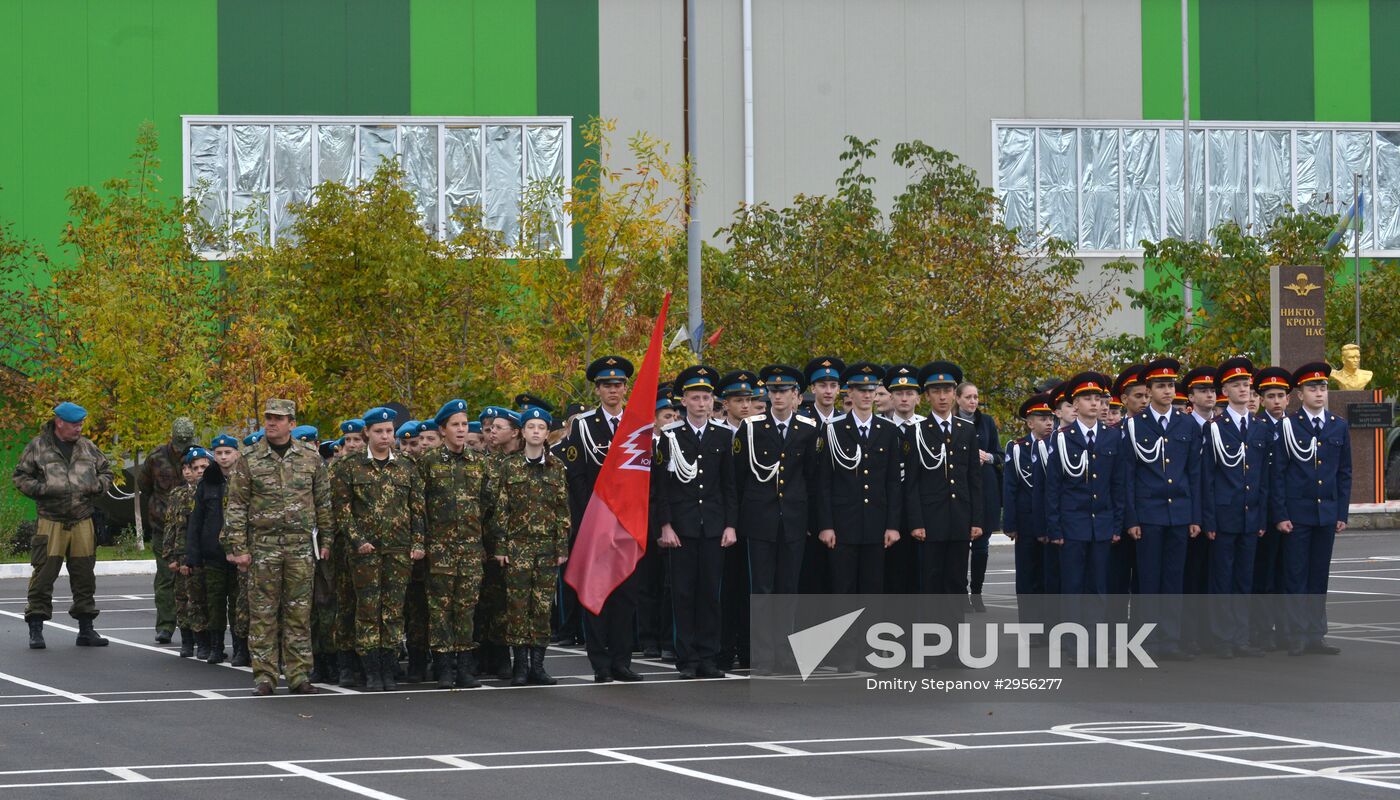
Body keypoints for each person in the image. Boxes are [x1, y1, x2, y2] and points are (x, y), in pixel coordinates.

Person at [222, 399, 334, 696]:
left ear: (292, 423)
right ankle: (265, 676)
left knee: (299, 614)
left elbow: (323, 502)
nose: (271, 423)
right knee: (263, 614)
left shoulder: (310, 458)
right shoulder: (250, 459)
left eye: (278, 418)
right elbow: (236, 506)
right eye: (268, 418)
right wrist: (239, 547)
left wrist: (326, 541)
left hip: (300, 547)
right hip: (264, 547)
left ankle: (298, 674)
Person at [733, 364, 821, 674]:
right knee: (762, 590)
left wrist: (813, 521)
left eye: (784, 391)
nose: (778, 396)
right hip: (760, 518)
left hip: (794, 518)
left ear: (797, 395)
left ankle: (785, 653)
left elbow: (812, 478)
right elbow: (740, 477)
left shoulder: (808, 428)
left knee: (788, 589)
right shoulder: (752, 427)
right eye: (773, 391)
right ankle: (764, 655)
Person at [561, 355, 644, 682]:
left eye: (619, 385)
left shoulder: (637, 424)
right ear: (597, 390)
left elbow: (643, 477)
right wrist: (587, 521)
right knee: (596, 593)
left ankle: (622, 661)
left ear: (626, 388)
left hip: (627, 524)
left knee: (625, 594)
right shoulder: (584, 425)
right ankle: (600, 663)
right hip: (595, 524)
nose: (614, 390)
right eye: (607, 385)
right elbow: (577, 476)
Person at [332, 407, 425, 692]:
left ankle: (389, 666)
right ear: (367, 434)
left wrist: (418, 541)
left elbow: (417, 508)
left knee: (394, 611)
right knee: (368, 610)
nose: (386, 437)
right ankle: (371, 670)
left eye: (389, 431)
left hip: (399, 550)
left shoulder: (407, 465)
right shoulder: (349, 466)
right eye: (379, 432)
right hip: (365, 552)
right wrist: (358, 540)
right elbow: (342, 510)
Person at [653, 366, 738, 679]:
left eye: (706, 398)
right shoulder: (671, 436)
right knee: (683, 593)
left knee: (709, 594)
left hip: (713, 525)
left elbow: (729, 487)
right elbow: (661, 487)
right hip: (682, 526)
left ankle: (708, 656)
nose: (701, 403)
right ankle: (686, 658)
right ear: (683, 401)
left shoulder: (723, 435)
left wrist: (730, 525)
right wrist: (665, 525)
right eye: (695, 397)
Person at [16, 402, 116, 649]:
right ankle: (36, 628)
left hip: (82, 517)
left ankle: (86, 630)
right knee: (44, 574)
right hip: (51, 519)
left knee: (84, 575)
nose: (79, 428)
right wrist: (43, 490)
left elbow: (107, 472)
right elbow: (20, 477)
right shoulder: (38, 447)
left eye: (81, 424)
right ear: (59, 422)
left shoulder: (87, 447)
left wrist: (97, 486)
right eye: (74, 424)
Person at [903, 361, 982, 666]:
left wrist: (977, 520)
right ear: (927, 396)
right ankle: (931, 649)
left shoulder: (966, 430)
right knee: (931, 586)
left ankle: (953, 650)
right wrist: (916, 522)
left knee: (955, 585)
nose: (943, 396)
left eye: (948, 390)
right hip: (930, 521)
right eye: (936, 391)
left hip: (960, 520)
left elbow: (973, 479)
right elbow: (911, 484)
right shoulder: (917, 431)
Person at [1122, 358, 1201, 661]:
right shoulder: (1135, 425)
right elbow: (1128, 476)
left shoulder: (1186, 423)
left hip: (1179, 513)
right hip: (1149, 513)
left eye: (1171, 385)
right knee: (1149, 581)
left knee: (1173, 579)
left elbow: (1194, 473)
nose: (1168, 390)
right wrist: (1132, 517)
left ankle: (1170, 639)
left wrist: (1194, 516)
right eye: (1161, 386)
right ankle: (1148, 641)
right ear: (1149, 390)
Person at [1043, 373, 1125, 663]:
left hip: (1101, 523)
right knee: (1074, 587)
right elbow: (1053, 487)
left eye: (1098, 398)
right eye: (1087, 399)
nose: (1095, 403)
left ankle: (1097, 644)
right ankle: (1074, 645)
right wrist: (1055, 527)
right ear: (1074, 404)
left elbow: (1118, 484)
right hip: (1072, 523)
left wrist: (1117, 524)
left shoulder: (1112, 436)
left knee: (1098, 587)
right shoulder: (1063, 439)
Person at [1275, 362, 1350, 657]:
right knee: (1295, 575)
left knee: (1318, 576)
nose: (1319, 393)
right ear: (1300, 393)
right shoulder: (1289, 426)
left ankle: (1315, 633)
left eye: (1322, 388)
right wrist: (1281, 513)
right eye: (1312, 388)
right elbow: (1279, 473)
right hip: (1297, 512)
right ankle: (1295, 634)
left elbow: (1344, 472)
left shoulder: (1337, 425)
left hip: (1325, 512)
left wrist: (1341, 512)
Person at [491, 406, 570, 685]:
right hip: (517, 547)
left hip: (547, 548)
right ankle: (520, 666)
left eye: (541, 428)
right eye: (531, 427)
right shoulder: (508, 466)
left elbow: (562, 510)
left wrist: (562, 548)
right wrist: (501, 547)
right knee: (517, 606)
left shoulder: (556, 467)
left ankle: (538, 665)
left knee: (542, 607)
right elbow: (501, 509)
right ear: (522, 432)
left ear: (547, 433)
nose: (536, 432)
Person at [1200, 357, 1272, 659]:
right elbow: (1207, 478)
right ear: (1224, 391)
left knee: (1244, 578)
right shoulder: (1215, 428)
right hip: (1224, 513)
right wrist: (1209, 519)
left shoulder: (1259, 427)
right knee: (1222, 580)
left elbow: (1264, 477)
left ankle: (1240, 637)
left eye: (1246, 384)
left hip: (1250, 513)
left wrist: (1262, 516)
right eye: (1236, 384)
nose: (1244, 389)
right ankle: (1221, 638)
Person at [419, 399, 493, 689]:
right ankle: (443, 667)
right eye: (455, 425)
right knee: (440, 609)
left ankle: (464, 666)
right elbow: (419, 507)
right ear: (442, 429)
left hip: (471, 549)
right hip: (440, 550)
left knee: (466, 608)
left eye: (464, 424)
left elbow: (488, 505)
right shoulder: (429, 463)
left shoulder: (479, 463)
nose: (461, 430)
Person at [815, 362, 903, 602]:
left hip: (876, 523)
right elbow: (824, 482)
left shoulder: (888, 429)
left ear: (876, 394)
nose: (866, 395)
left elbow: (893, 482)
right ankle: (847, 640)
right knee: (843, 589)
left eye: (871, 390)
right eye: (860, 389)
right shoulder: (833, 429)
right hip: (843, 525)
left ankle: (868, 639)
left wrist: (893, 525)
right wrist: (826, 525)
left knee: (873, 588)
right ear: (849, 393)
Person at [138, 417, 196, 644]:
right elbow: (144, 486)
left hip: (192, 529)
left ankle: (194, 626)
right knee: (165, 578)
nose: (183, 449)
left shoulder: (199, 456)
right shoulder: (155, 458)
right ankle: (165, 626)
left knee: (193, 580)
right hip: (163, 528)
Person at [1003, 393, 1056, 643]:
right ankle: (1031, 629)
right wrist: (1010, 523)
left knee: (1050, 575)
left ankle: (1051, 626)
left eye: (1050, 418)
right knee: (1028, 575)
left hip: (1051, 519)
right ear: (1029, 422)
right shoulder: (1017, 448)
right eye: (1041, 418)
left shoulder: (1058, 444)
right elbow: (1010, 487)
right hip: (1026, 521)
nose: (1048, 423)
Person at [1249, 366, 1292, 651]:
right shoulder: (1258, 427)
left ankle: (1286, 630)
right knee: (1263, 575)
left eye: (1281, 395)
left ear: (1289, 399)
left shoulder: (1295, 426)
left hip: (1293, 512)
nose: (1276, 401)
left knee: (1288, 575)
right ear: (1262, 399)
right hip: (1264, 513)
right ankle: (1262, 630)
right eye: (1271, 396)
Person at [637, 385, 679, 661]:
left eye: (675, 415)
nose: (672, 420)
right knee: (648, 583)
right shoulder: (642, 444)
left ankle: (667, 638)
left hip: (673, 521)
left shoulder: (680, 441)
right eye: (666, 416)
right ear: (653, 419)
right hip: (646, 519)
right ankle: (648, 637)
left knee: (671, 584)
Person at [186, 442, 234, 664]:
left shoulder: (243, 478)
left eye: (228, 453)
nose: (223, 457)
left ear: (236, 454)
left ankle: (241, 646)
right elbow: (196, 522)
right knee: (214, 601)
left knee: (238, 604)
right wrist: (193, 556)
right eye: (219, 453)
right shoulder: (207, 483)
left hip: (239, 552)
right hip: (213, 553)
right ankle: (216, 646)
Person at [955, 381, 1001, 612]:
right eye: (968, 397)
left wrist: (988, 457)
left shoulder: (987, 422)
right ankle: (961, 592)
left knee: (982, 546)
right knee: (961, 546)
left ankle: (978, 592)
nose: (973, 401)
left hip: (985, 489)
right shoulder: (951, 422)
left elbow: (1000, 455)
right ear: (958, 399)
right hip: (961, 490)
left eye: (976, 397)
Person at [881, 364, 924, 594]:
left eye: (909, 393)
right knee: (892, 577)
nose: (904, 398)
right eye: (899, 393)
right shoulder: (881, 428)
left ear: (918, 398)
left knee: (921, 577)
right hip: (890, 513)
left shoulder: (926, 428)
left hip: (922, 513)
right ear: (891, 397)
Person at [167, 448, 211, 659]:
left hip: (206, 554)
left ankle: (205, 639)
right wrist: (172, 556)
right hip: (182, 554)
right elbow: (173, 527)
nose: (194, 472)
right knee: (183, 599)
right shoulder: (178, 494)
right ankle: (187, 640)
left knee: (204, 599)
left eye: (203, 467)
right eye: (191, 468)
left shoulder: (212, 490)